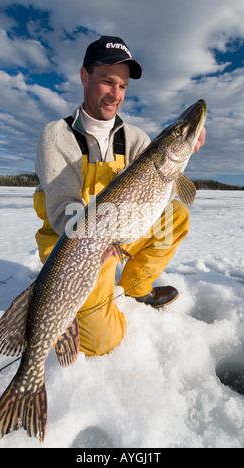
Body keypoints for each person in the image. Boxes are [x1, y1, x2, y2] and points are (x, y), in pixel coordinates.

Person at [33, 36, 206, 357]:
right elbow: (62, 213)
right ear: (85, 77)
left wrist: (186, 148)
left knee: (176, 215)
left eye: (123, 87)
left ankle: (135, 286)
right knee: (103, 342)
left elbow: (156, 197)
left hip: (116, 235)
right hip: (73, 252)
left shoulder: (136, 139)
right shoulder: (56, 136)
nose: (116, 94)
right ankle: (67, 305)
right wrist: (97, 244)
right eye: (107, 82)